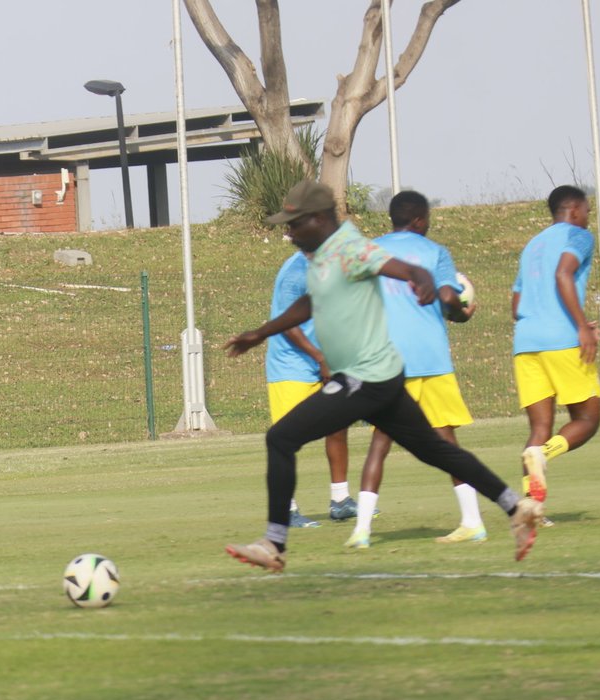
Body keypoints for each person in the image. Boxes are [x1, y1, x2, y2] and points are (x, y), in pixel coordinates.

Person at [222, 179, 543, 573]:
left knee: (281, 438)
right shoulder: (321, 256)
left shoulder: (350, 248)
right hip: (382, 376)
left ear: (320, 219)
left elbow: (401, 267)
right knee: (436, 450)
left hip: (366, 378)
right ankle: (517, 506)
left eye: (294, 223)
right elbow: (311, 301)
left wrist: (421, 278)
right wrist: (260, 333)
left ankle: (274, 543)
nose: (287, 232)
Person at [345, 190, 482, 549]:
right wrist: (461, 313)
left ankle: (361, 530)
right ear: (420, 219)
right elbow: (450, 298)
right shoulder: (435, 253)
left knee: (380, 443)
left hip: (389, 362)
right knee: (447, 441)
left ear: (394, 218)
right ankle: (472, 521)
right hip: (432, 359)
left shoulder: (371, 250)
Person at [512, 184, 600, 507]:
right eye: (588, 211)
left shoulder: (532, 245)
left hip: (525, 342)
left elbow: (516, 304)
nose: (588, 217)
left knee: (540, 427)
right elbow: (563, 275)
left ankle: (532, 507)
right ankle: (543, 453)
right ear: (574, 210)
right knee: (588, 419)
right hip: (561, 340)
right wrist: (580, 326)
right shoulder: (578, 236)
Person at [265, 251, 359, 527]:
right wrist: (320, 358)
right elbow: (286, 324)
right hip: (291, 367)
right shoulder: (295, 271)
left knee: (338, 427)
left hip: (327, 361)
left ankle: (340, 500)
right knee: (286, 440)